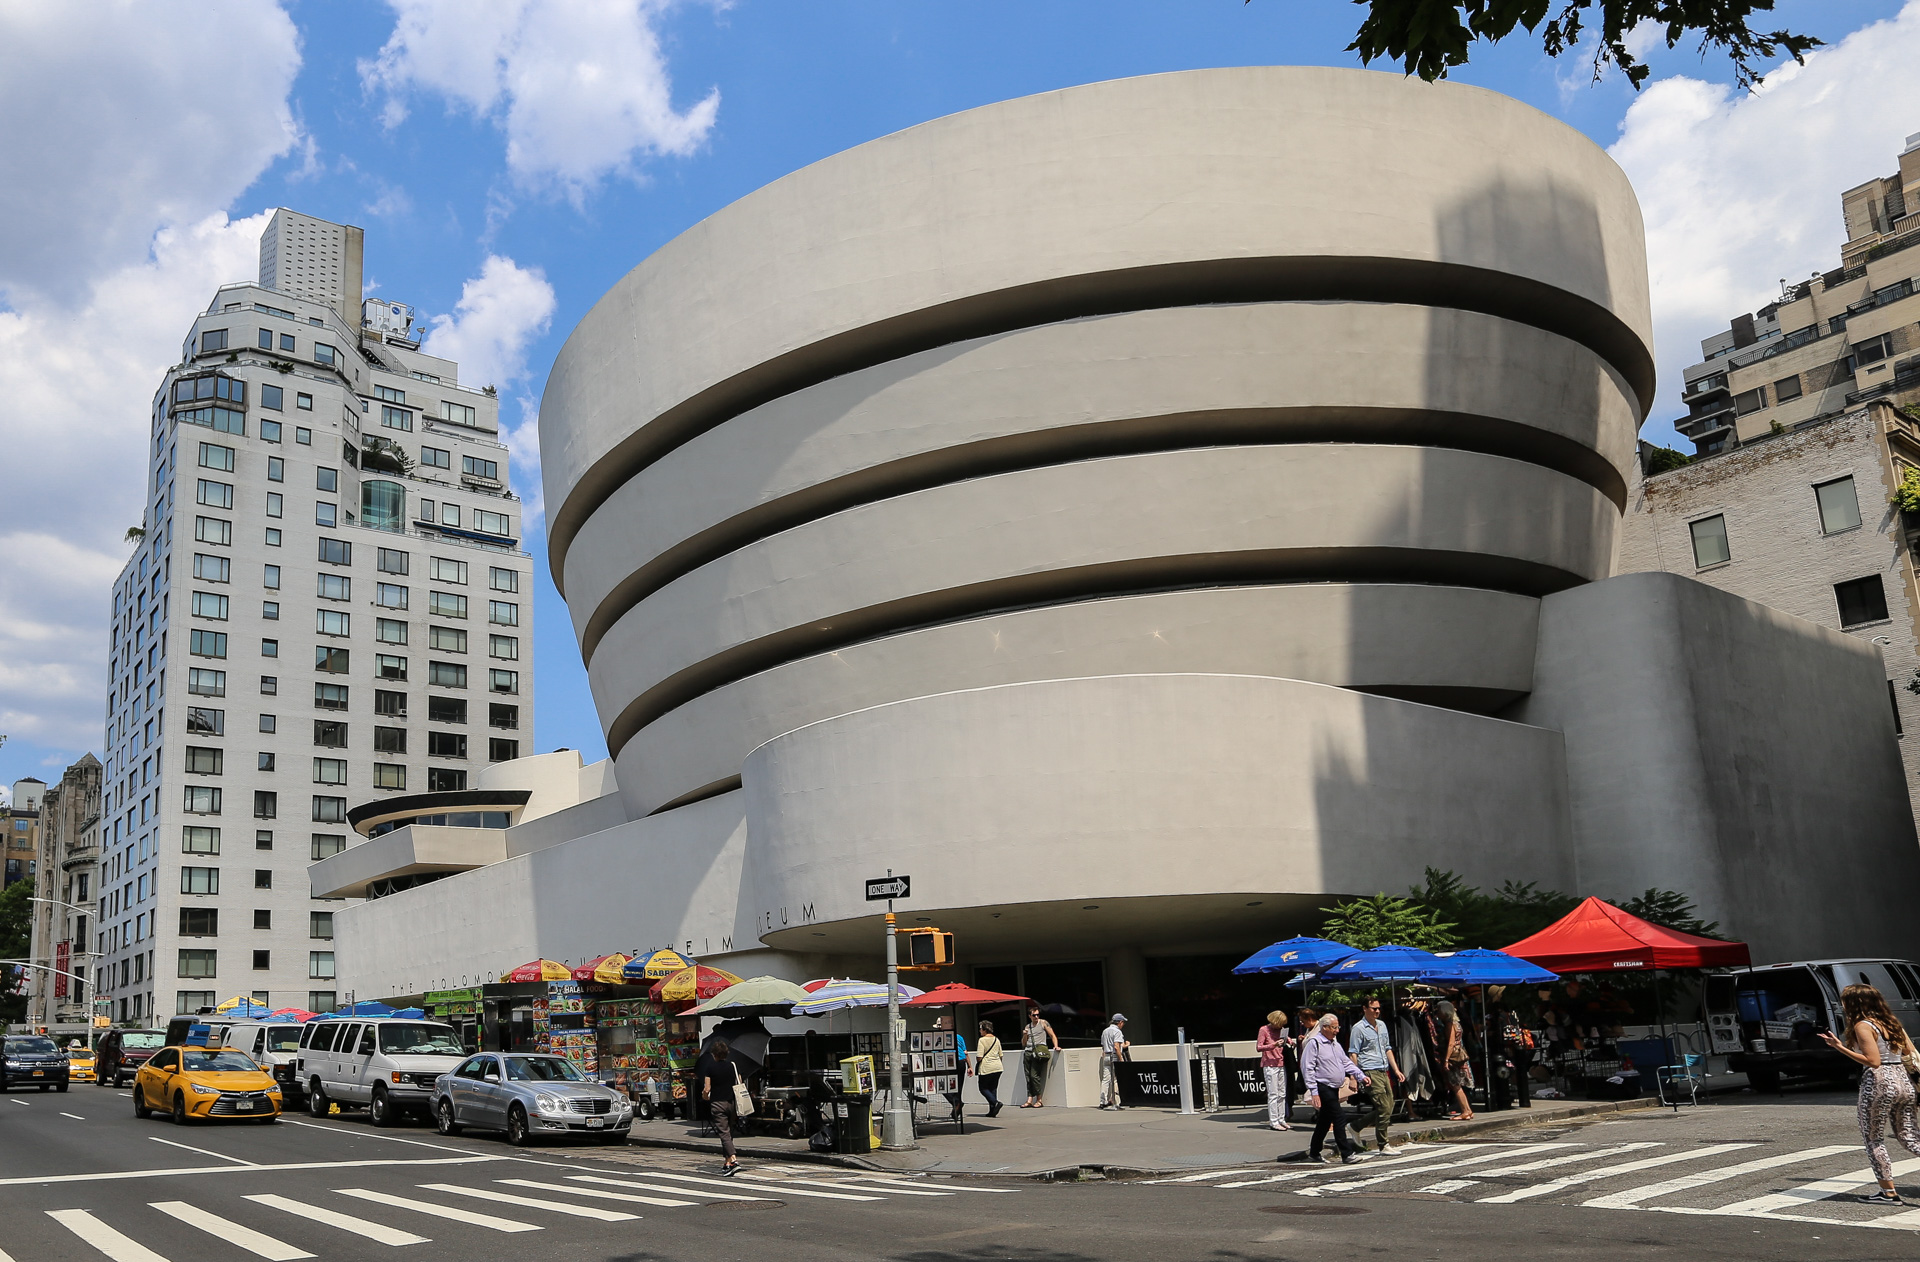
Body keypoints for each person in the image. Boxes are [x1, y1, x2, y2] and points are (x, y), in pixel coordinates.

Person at [1818, 983, 1920, 1204]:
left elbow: (1873, 1061)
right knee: (1910, 1137)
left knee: (1873, 1137)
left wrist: (1839, 1047)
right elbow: (1910, 1053)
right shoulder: (1892, 1024)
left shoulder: (1863, 1026)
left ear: (1855, 1003)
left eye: (1845, 1001)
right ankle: (1887, 1192)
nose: (1842, 1005)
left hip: (1879, 1083)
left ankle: (1888, 1193)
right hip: (1904, 1080)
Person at [1300, 1012, 1369, 1164]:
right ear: (1324, 1027)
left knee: (1325, 1120)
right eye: (1334, 1027)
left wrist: (1360, 1076)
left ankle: (1314, 1151)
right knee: (1339, 1117)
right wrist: (1314, 1092)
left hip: (1333, 1088)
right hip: (1322, 1086)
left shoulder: (1335, 1045)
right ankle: (1347, 1153)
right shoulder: (1314, 1043)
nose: (1337, 1030)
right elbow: (1307, 1068)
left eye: (1338, 1027)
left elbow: (1346, 1062)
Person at [1349, 997, 1403, 1152]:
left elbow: (1387, 1048)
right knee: (1383, 1106)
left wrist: (1396, 1070)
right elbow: (1353, 1053)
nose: (1377, 1011)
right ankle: (1383, 1143)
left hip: (1383, 1069)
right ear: (1365, 1009)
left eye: (1379, 1008)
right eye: (1374, 1008)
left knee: (1389, 1105)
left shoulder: (1382, 1025)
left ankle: (1356, 1126)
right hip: (1370, 1070)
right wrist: (1355, 1076)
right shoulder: (1358, 1028)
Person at [698, 1037, 743, 1176]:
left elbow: (707, 1089)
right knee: (728, 1134)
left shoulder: (710, 1068)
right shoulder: (732, 1066)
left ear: (714, 1054)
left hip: (717, 1104)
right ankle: (727, 1163)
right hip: (731, 1103)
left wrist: (705, 1096)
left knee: (723, 1133)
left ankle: (734, 1160)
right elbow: (739, 1082)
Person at [1434, 1000, 1474, 1120]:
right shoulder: (1457, 1023)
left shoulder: (1450, 1025)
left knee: (1455, 1085)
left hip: (1453, 1058)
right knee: (1458, 1084)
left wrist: (1446, 1060)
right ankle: (1468, 1110)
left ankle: (1465, 1110)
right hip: (1459, 1056)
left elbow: (1451, 1043)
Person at [1256, 1011, 1294, 1131]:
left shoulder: (1281, 1030)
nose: (1280, 1027)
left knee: (1282, 1093)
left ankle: (1281, 1118)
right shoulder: (1264, 1030)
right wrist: (1273, 1045)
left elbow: (1287, 1039)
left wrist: (1291, 1042)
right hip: (1270, 1064)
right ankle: (1273, 1120)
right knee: (1273, 1094)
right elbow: (1259, 1047)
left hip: (1281, 1063)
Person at [1020, 1005, 1059, 1107]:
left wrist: (1056, 1046)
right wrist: (1025, 1035)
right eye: (1034, 1015)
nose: (1036, 1017)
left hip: (1039, 1052)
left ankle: (1039, 1099)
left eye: (1037, 1015)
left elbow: (1052, 1035)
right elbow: (1024, 1043)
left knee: (1034, 1076)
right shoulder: (1028, 1027)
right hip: (1028, 1051)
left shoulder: (1043, 1023)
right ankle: (1029, 1099)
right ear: (1030, 1016)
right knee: (1028, 1076)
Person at [1098, 1013, 1130, 1109]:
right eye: (1123, 1022)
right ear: (1119, 1022)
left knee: (1105, 1079)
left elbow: (1104, 1046)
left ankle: (1102, 1101)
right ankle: (1115, 1100)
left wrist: (1124, 1045)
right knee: (1116, 1079)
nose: (1123, 1024)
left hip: (1106, 1055)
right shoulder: (1117, 1032)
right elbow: (1116, 1047)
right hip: (1114, 1056)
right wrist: (1121, 1059)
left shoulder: (1105, 1031)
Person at [975, 1019, 1005, 1118]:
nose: (980, 1031)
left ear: (984, 1029)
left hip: (986, 1067)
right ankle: (992, 1111)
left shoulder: (982, 1040)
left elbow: (979, 1056)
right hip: (998, 1066)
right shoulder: (997, 1039)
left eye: (980, 1029)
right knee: (993, 1088)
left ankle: (995, 1103)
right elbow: (1001, 1055)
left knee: (983, 1088)